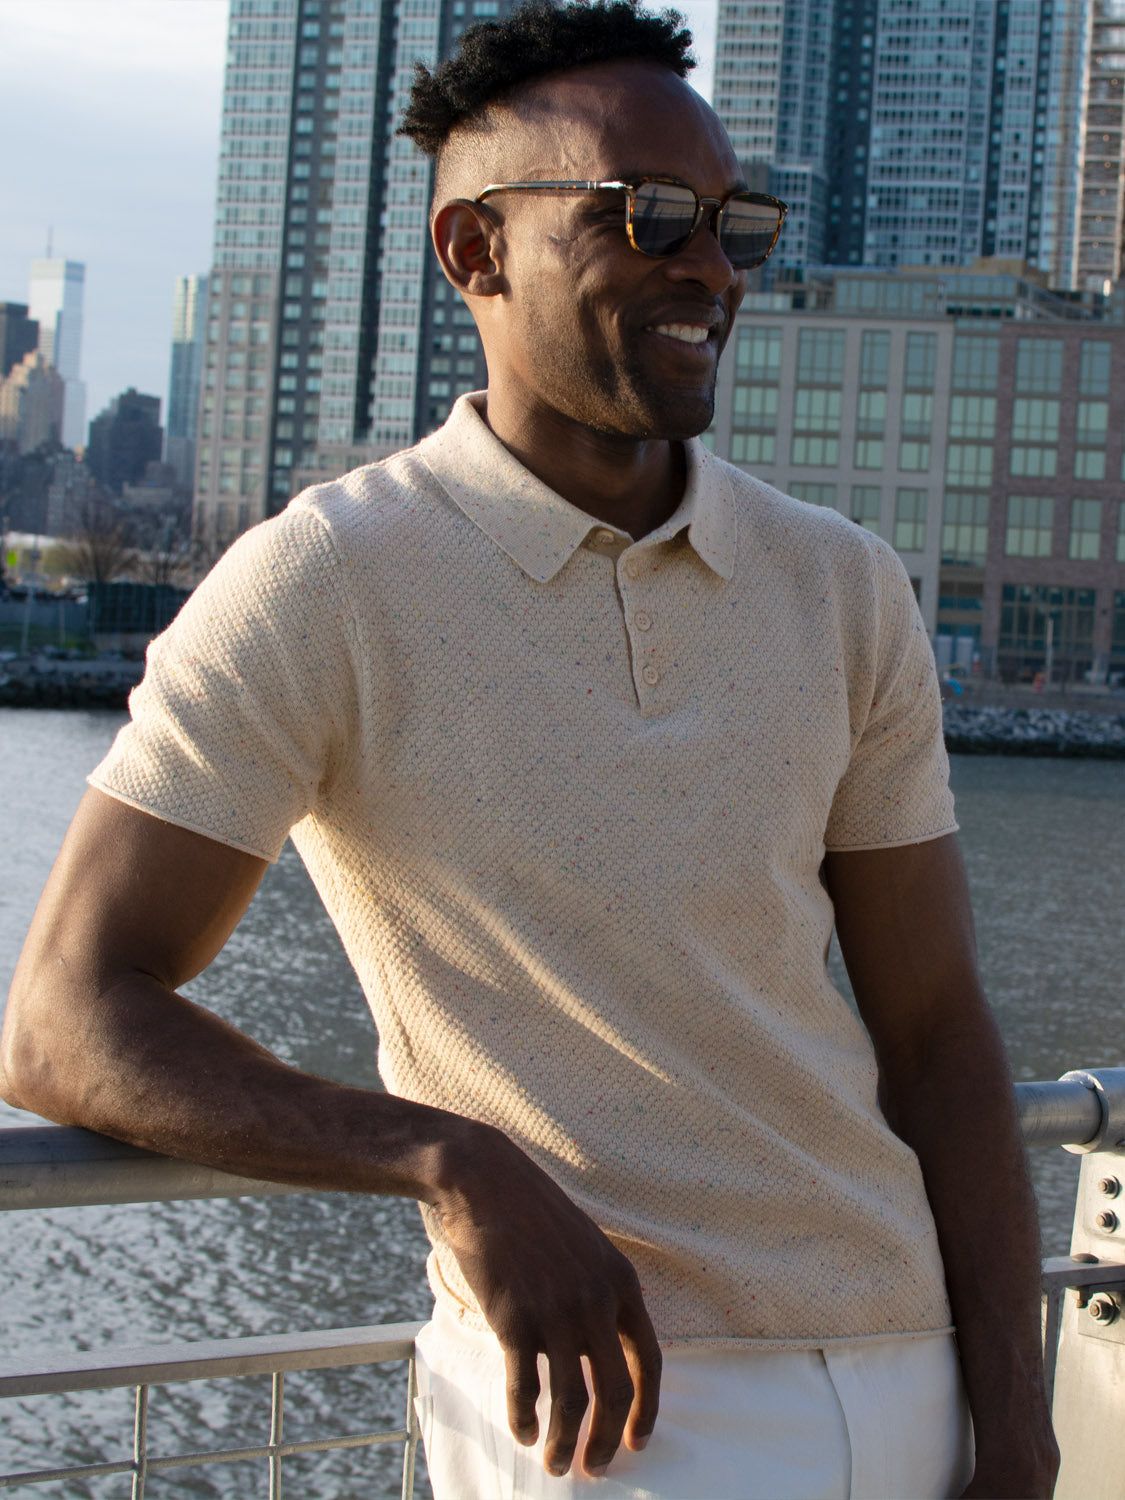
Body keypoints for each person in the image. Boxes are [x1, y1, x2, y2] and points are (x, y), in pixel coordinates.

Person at [1, 3, 1058, 1496]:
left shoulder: (841, 583)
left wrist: (1012, 1421)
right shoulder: (326, 580)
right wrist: (447, 1160)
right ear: (474, 252)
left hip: (914, 1379)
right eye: (648, 216)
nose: (707, 264)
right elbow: (64, 1021)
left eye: (733, 223)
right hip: (605, 1411)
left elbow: (939, 1032)